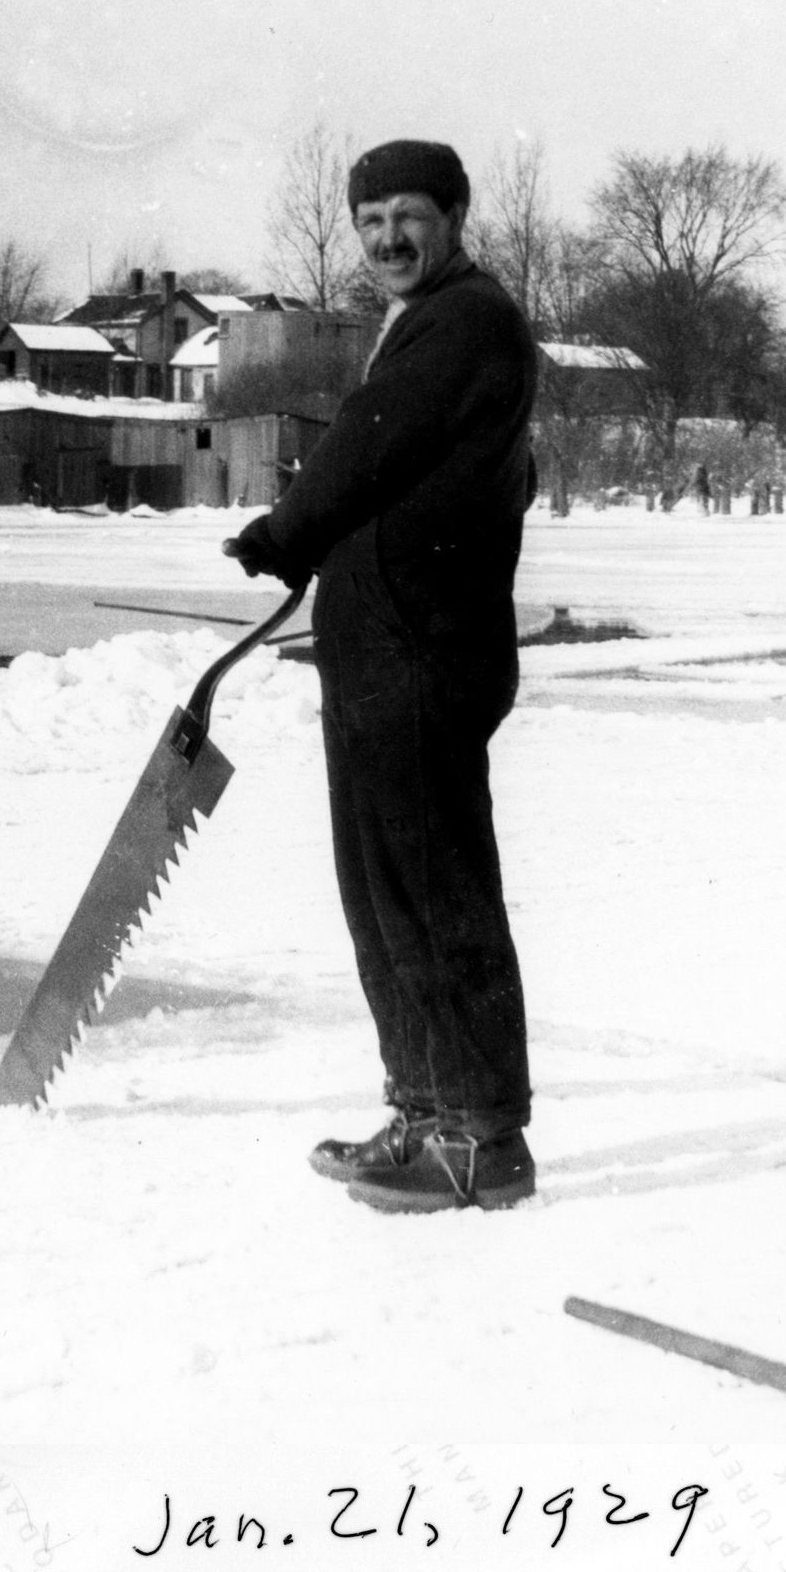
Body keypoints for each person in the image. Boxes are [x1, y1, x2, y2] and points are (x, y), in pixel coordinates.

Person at [225, 138, 540, 1212]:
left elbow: (368, 443)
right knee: (384, 893)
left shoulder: (467, 318)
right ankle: (425, 1109)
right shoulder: (431, 324)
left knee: (429, 889)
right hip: (385, 644)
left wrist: (288, 528)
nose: (387, 240)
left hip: (419, 649)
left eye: (408, 215)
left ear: (453, 217)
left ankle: (478, 1134)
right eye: (369, 222)